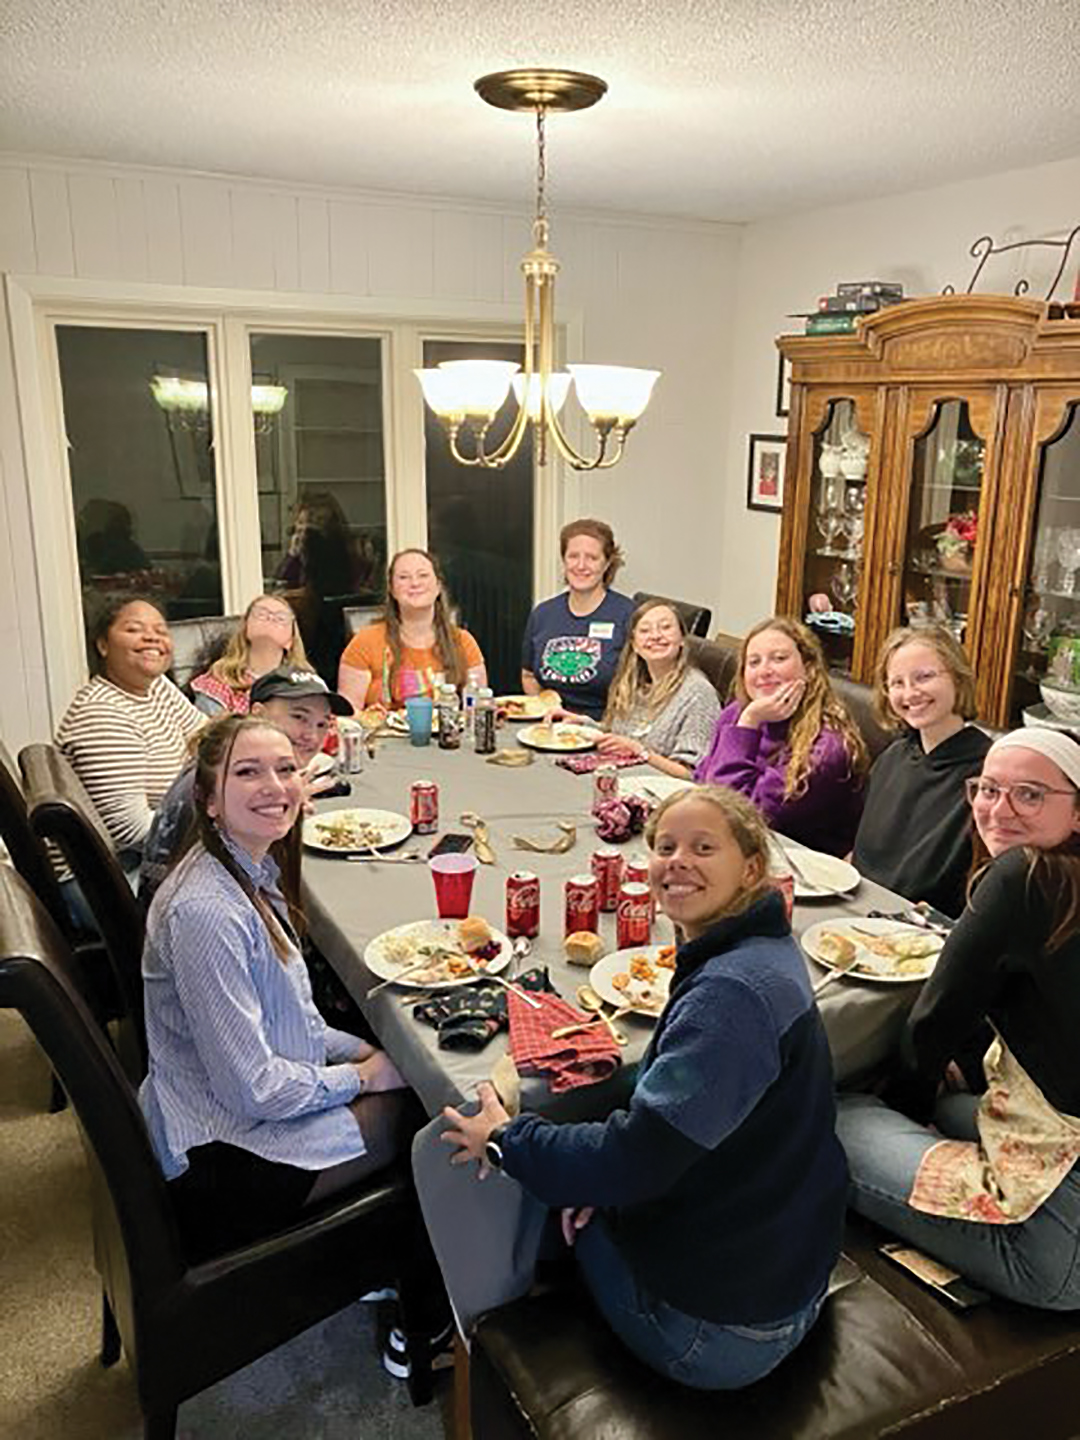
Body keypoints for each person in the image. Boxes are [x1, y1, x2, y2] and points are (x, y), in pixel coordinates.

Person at [441, 785, 848, 1389]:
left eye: (703, 847)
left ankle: (451, 1342)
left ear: (752, 868)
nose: (677, 860)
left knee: (520, 1201)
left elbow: (637, 1158)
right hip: (784, 1270)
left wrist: (504, 1139)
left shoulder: (731, 996)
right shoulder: (764, 947)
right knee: (581, 1180)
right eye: (664, 846)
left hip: (717, 1336)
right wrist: (610, 1181)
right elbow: (675, 1137)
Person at [139, 715, 410, 1259]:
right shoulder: (206, 912)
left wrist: (365, 1052)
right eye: (247, 772)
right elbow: (253, 1090)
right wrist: (361, 1077)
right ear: (207, 800)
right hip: (221, 1156)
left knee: (405, 1074)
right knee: (430, 1123)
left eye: (286, 769)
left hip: (232, 1106)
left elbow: (293, 1016)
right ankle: (410, 1306)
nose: (275, 787)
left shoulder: (245, 872)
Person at [837, 728, 1080, 1310]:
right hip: (1056, 1147)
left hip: (1053, 1245)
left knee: (830, 1110)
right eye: (988, 789)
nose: (998, 809)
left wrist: (901, 1102)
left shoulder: (1026, 876)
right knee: (951, 1106)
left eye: (1029, 794)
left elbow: (933, 1022)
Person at [138, 666, 352, 910]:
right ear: (258, 713)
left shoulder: (226, 758)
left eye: (322, 724)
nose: (312, 736)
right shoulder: (220, 782)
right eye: (299, 717)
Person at [694, 616, 866, 856]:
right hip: (731, 852)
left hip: (796, 871)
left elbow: (739, 818)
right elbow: (702, 781)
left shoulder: (827, 746)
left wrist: (749, 724)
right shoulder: (736, 712)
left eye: (779, 658)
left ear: (808, 667)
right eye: (754, 662)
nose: (765, 671)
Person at [852, 625, 990, 917]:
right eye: (897, 683)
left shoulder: (987, 777)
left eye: (924, 677)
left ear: (957, 677)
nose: (911, 693)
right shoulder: (892, 758)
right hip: (858, 911)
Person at [56, 598, 203, 860]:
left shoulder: (156, 687)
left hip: (153, 851)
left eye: (161, 631)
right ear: (103, 645)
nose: (152, 638)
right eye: (134, 629)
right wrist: (226, 818)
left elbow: (210, 737)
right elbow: (131, 832)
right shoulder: (102, 713)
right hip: (112, 875)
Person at [555, 600, 720, 777]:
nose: (655, 636)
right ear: (634, 645)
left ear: (682, 639)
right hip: (623, 779)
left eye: (665, 627)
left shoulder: (698, 693)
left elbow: (692, 774)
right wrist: (583, 724)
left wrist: (641, 753)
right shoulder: (634, 683)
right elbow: (622, 737)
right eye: (645, 630)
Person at [337, 548, 486, 710]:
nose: (415, 583)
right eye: (403, 577)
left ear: (438, 587)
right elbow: (348, 719)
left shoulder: (463, 642)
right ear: (392, 590)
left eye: (423, 575)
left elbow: (478, 709)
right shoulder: (364, 642)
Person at [520, 519, 634, 721]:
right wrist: (545, 713)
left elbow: (641, 689)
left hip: (604, 731)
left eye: (592, 557)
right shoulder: (543, 614)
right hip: (551, 730)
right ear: (564, 560)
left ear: (607, 563)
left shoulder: (628, 615)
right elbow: (529, 676)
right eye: (573, 556)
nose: (581, 566)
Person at [189, 594, 311, 716]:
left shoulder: (308, 683)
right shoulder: (217, 682)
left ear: (291, 640)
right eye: (261, 614)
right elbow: (211, 732)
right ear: (245, 628)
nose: (270, 618)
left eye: (281, 618)